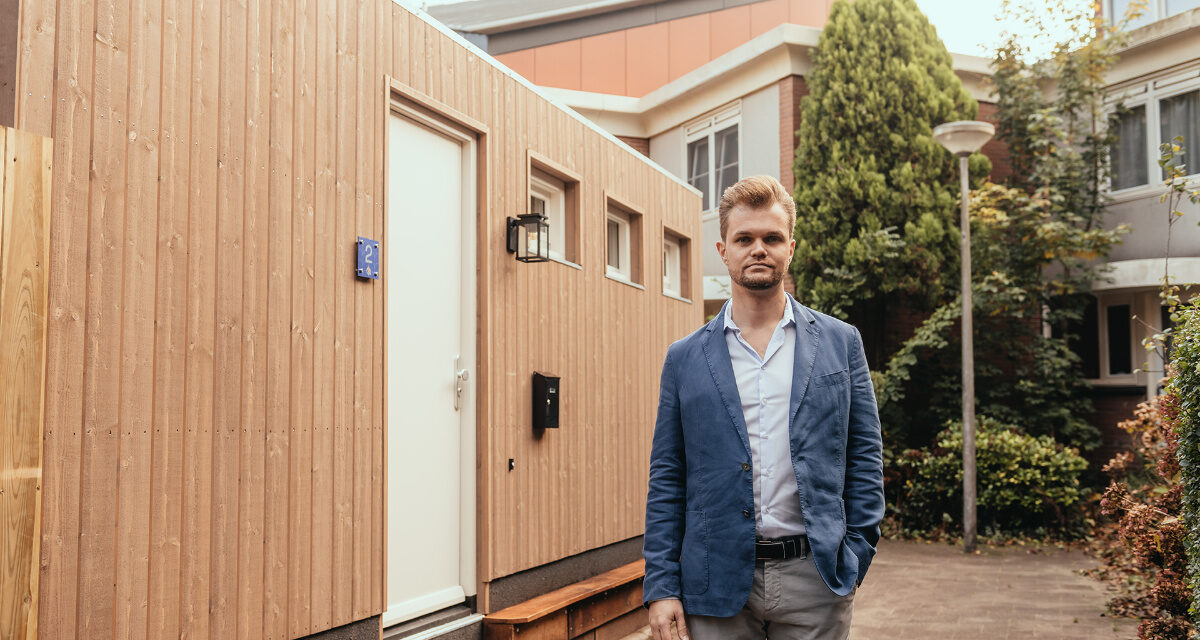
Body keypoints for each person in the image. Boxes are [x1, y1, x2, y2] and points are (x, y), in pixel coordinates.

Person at [642, 175, 884, 640]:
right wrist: (662, 587)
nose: (759, 249)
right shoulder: (684, 358)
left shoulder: (841, 343)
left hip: (815, 580)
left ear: (790, 247)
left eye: (772, 238)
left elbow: (865, 457)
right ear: (723, 249)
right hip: (713, 581)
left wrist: (855, 555)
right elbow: (667, 478)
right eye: (744, 238)